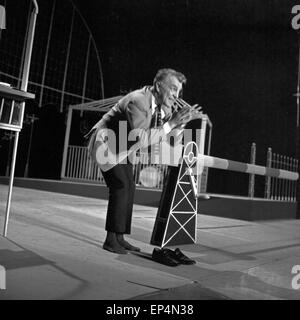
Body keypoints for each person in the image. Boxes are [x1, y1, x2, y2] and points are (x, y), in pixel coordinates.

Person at [86, 68, 199, 254]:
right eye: (172, 88)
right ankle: (109, 240)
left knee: (129, 185)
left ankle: (119, 238)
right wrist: (170, 124)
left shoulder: (165, 106)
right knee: (120, 186)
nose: (176, 95)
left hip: (123, 147)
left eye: (178, 91)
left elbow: (167, 137)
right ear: (158, 86)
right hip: (105, 143)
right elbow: (142, 138)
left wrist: (180, 125)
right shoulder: (137, 100)